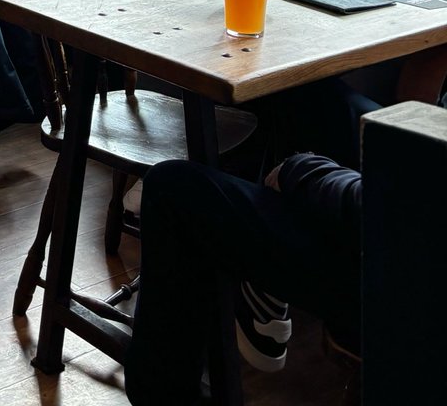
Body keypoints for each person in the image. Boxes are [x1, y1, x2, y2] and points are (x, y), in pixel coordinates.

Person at [125, 154, 365, 406]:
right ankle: (258, 287)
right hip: (383, 262)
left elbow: (377, 207)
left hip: (378, 282)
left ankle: (166, 400)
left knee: (169, 186)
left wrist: (301, 169)